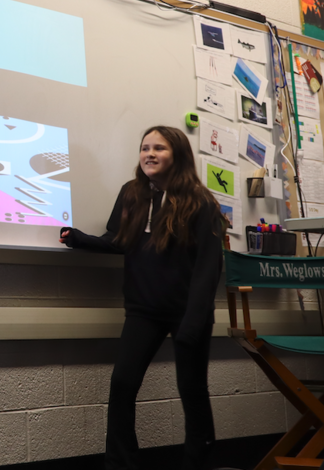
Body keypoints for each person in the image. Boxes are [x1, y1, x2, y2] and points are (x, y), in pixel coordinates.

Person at [59, 126, 225, 470]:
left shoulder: (201, 202)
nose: (149, 154)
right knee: (122, 384)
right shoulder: (131, 193)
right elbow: (119, 240)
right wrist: (79, 239)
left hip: (187, 313)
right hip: (143, 310)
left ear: (176, 155)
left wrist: (194, 322)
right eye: (144, 148)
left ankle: (198, 464)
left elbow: (208, 269)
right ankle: (121, 464)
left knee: (192, 392)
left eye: (159, 148)